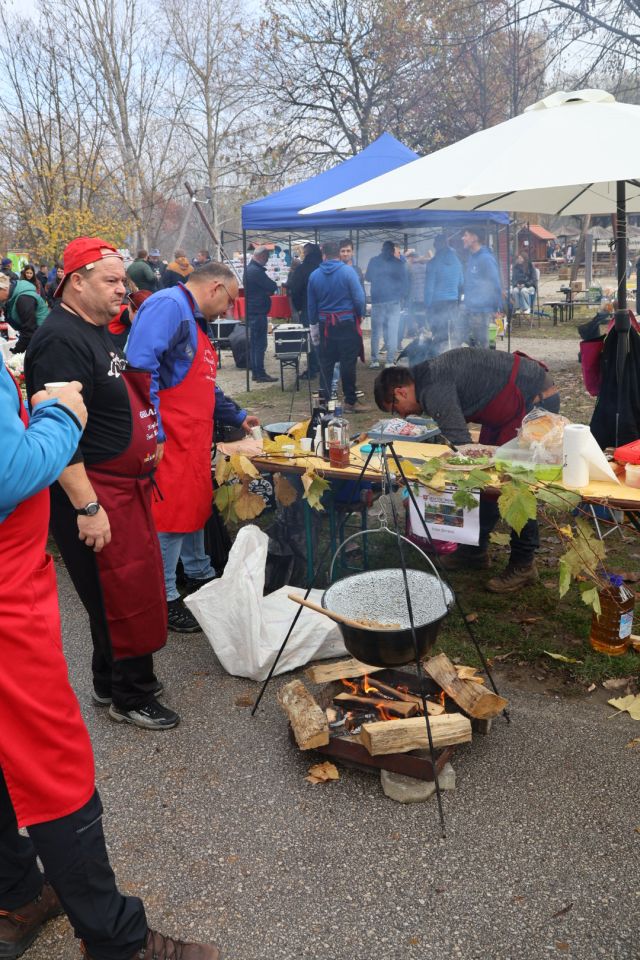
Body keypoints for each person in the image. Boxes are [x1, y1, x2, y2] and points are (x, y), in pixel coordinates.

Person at [0, 371, 221, 960]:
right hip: (5, 602)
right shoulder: (64, 341)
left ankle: (18, 893)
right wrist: (61, 417)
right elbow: (6, 473)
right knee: (54, 764)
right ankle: (116, 942)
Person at [25, 236, 175, 732]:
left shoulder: (96, 330)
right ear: (76, 281)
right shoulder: (59, 340)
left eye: (123, 281)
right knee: (118, 594)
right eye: (111, 280)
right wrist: (87, 509)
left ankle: (109, 681)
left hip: (122, 489)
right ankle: (132, 696)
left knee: (118, 591)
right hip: (94, 492)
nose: (122, 290)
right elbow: (58, 431)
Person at [126, 261, 261, 633]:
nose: (228, 310)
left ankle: (200, 574)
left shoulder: (194, 319)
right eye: (230, 301)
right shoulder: (169, 306)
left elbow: (202, 383)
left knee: (193, 509)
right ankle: (164, 597)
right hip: (169, 438)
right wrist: (153, 430)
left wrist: (237, 416)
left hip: (193, 438)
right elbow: (140, 371)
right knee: (169, 517)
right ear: (215, 287)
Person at [373, 349, 560, 593]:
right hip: (505, 410)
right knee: (486, 481)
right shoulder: (426, 377)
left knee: (515, 485)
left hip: (533, 399)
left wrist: (435, 477)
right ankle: (474, 551)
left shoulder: (433, 388)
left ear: (401, 392)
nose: (403, 415)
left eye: (396, 409)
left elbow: (460, 446)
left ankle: (524, 563)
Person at [307, 239, 367, 413]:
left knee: (326, 365)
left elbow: (311, 305)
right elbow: (359, 298)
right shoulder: (348, 272)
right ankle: (350, 402)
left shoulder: (314, 275)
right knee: (348, 364)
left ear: (324, 255)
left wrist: (314, 325)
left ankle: (325, 403)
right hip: (346, 323)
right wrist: (360, 314)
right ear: (338, 254)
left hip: (325, 326)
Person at [365, 239, 409, 369]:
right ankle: (390, 361)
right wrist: (402, 297)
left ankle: (374, 361)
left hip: (377, 301)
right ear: (393, 250)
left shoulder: (373, 261)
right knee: (392, 332)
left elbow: (368, 277)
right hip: (394, 301)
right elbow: (405, 283)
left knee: (375, 332)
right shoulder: (399, 263)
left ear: (382, 249)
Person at [461, 226, 503, 347]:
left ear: (474, 238)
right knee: (468, 344)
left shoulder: (486, 259)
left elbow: (495, 284)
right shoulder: (472, 258)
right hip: (470, 309)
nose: (462, 238)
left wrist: (497, 308)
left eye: (466, 235)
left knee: (482, 348)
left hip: (482, 311)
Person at [287, 242, 322, 380]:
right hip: (325, 308)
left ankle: (313, 368)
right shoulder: (323, 267)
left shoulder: (302, 269)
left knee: (311, 339)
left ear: (307, 254)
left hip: (307, 308)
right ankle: (322, 366)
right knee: (323, 339)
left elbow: (294, 290)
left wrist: (299, 307)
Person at [424, 235, 464, 354]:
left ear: (437, 245)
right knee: (451, 331)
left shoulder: (433, 263)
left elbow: (429, 288)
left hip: (437, 302)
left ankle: (438, 356)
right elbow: (461, 282)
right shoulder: (457, 261)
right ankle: (449, 355)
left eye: (435, 244)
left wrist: (427, 305)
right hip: (453, 301)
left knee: (438, 332)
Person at [244, 245, 277, 382]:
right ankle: (260, 373)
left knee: (255, 343)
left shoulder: (250, 269)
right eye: (267, 257)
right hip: (257, 311)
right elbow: (272, 286)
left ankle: (256, 372)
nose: (267, 260)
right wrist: (268, 291)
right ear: (262, 256)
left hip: (254, 310)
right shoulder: (256, 271)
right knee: (259, 344)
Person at [1, 271, 49, 354]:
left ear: (4, 288)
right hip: (36, 336)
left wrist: (17, 351)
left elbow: (29, 330)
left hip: (43, 338)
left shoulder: (24, 299)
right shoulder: (12, 296)